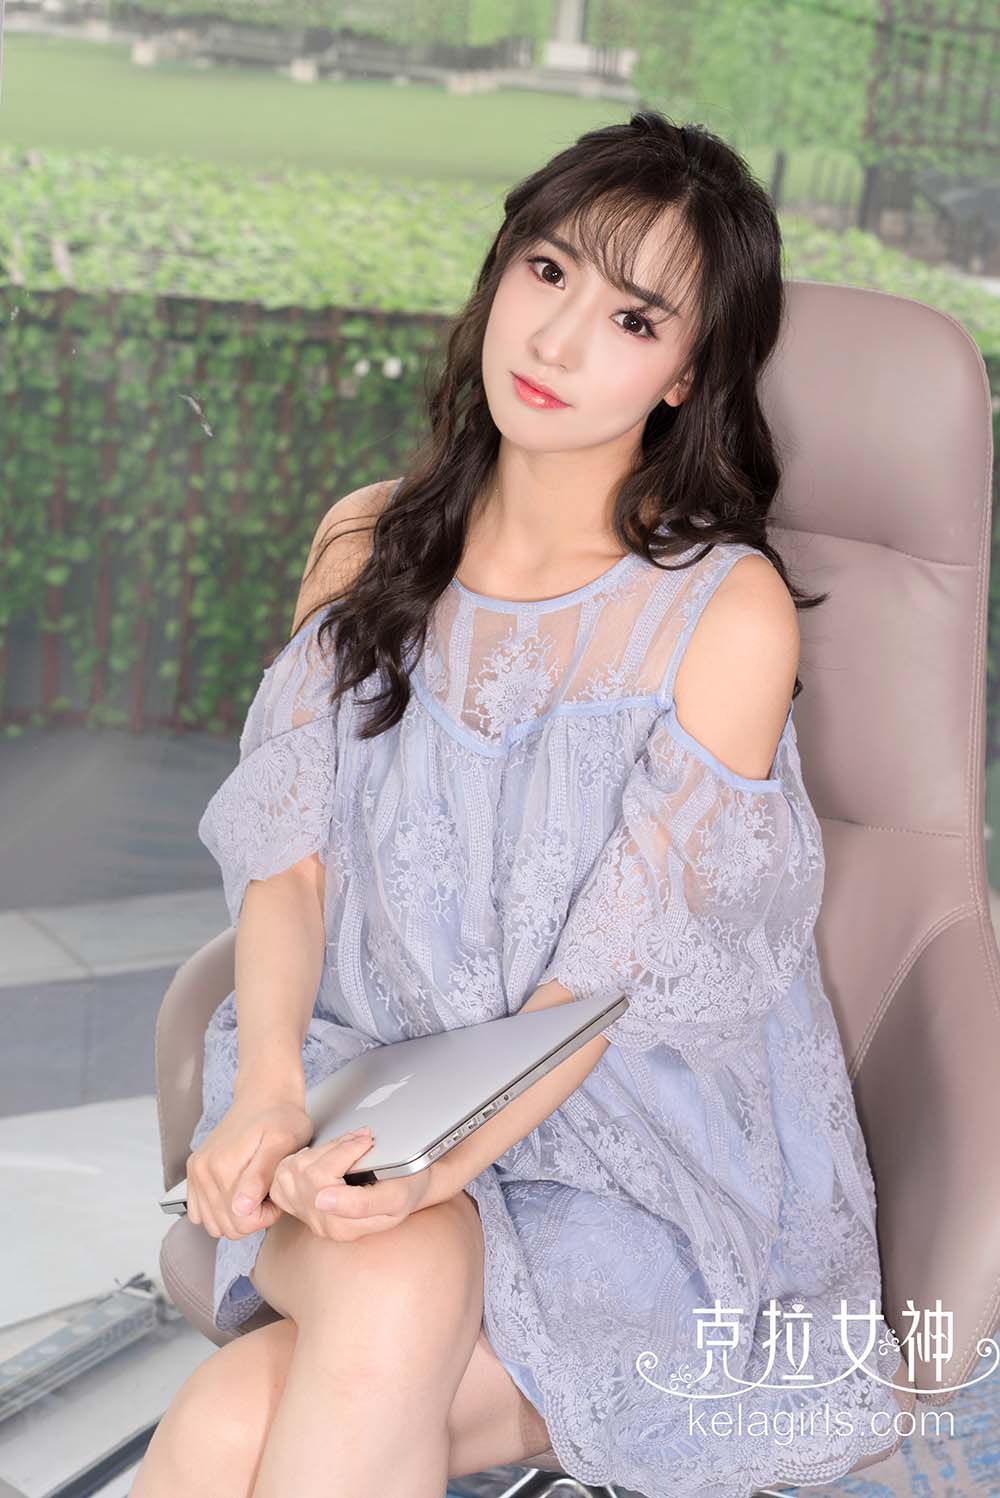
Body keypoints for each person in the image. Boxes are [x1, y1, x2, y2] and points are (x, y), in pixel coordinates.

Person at [133, 111, 915, 1498]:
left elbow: (603, 990)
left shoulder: (723, 614)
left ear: (687, 374)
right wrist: (265, 1098)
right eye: (547, 271)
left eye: (632, 318)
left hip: (617, 1158)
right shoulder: (365, 542)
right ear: (500, 271)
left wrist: (436, 1175)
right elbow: (290, 863)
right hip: (360, 1088)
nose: (556, 341)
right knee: (388, 1285)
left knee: (229, 1421)